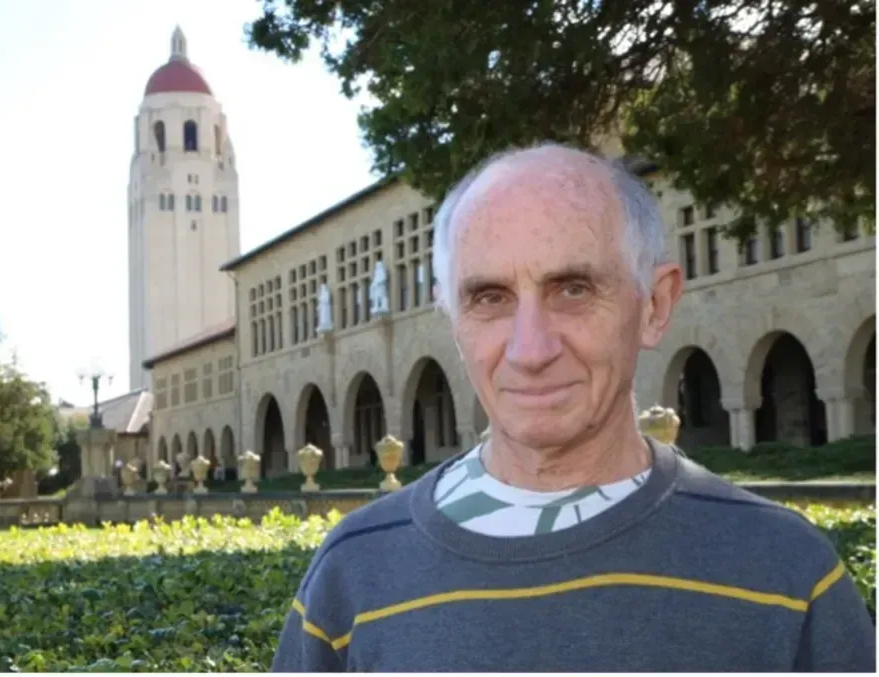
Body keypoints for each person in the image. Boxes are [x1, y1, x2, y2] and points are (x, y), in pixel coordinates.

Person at [271, 143, 876, 672]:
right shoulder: (353, 572)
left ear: (655, 305)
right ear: (452, 319)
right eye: (489, 297)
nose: (531, 349)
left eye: (575, 289)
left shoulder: (788, 574)